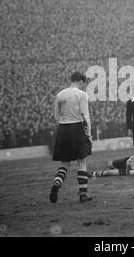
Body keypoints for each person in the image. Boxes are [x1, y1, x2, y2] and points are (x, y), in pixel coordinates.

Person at [49, 71, 93, 203]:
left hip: (63, 129)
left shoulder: (60, 94)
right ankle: (83, 194)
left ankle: (57, 183)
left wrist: (62, 128)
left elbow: (56, 117)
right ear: (80, 81)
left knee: (65, 163)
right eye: (83, 83)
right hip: (77, 128)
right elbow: (86, 117)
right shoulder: (81, 94)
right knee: (82, 161)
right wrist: (89, 135)